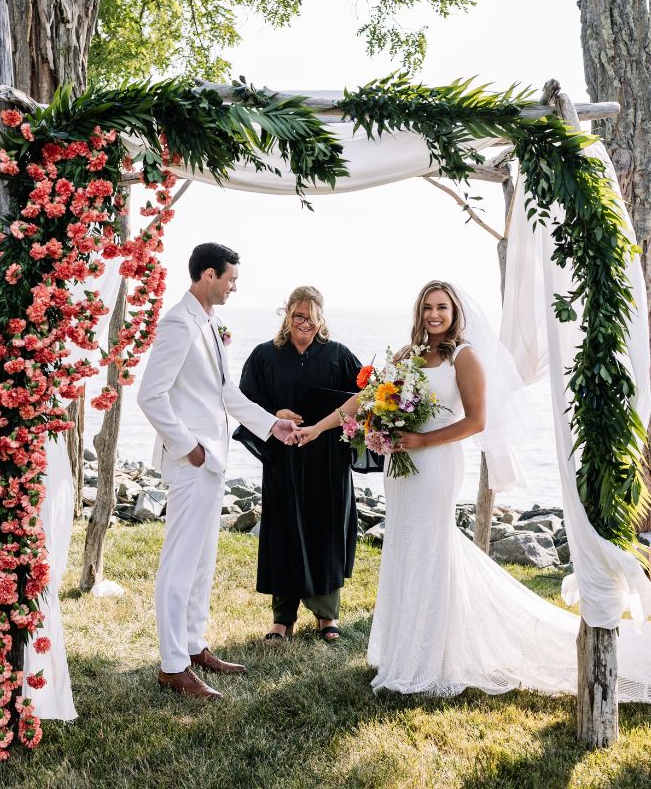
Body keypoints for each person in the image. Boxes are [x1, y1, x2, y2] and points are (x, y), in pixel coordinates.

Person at [293, 280, 651, 697]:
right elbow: (366, 399)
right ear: (419, 312)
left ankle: (430, 660)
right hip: (400, 469)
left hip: (436, 464)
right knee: (405, 548)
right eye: (427, 306)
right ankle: (401, 652)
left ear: (454, 311)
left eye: (441, 307)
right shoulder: (407, 356)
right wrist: (318, 428)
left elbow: (476, 422)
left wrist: (421, 440)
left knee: (430, 548)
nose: (434, 315)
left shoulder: (464, 357)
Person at [138, 242, 297, 700]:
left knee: (203, 561)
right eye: (230, 278)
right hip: (193, 462)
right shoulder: (177, 323)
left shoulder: (210, 323)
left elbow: (228, 394)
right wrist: (188, 447)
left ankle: (193, 646)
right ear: (208, 275)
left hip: (212, 463)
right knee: (179, 562)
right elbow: (151, 394)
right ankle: (172, 666)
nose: (234, 286)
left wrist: (273, 425)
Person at [236, 286, 362, 643]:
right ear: (286, 315)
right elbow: (245, 401)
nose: (305, 322)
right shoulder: (265, 355)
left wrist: (323, 428)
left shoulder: (338, 354)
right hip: (284, 456)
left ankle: (327, 615)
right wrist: (275, 415)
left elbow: (364, 395)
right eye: (298, 315)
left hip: (327, 458)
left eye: (311, 315)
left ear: (322, 317)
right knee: (284, 529)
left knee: (326, 528)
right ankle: (282, 617)